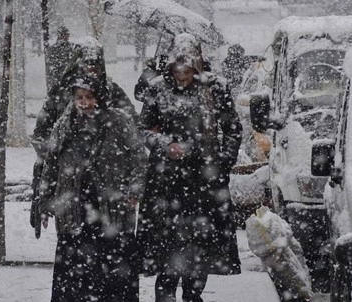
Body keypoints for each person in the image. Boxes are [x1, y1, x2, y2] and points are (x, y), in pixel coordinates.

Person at [138, 33, 243, 302]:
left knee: (201, 247)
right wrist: (165, 144)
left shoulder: (215, 87)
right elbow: (142, 129)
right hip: (165, 181)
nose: (182, 76)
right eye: (177, 70)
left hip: (204, 182)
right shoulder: (158, 88)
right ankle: (165, 295)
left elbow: (232, 128)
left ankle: (193, 295)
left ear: (197, 65)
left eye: (187, 70)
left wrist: (222, 163)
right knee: (167, 245)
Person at [37, 74, 146, 301]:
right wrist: (46, 201)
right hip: (74, 204)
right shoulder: (64, 124)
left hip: (112, 205)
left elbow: (138, 157)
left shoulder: (119, 121)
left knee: (113, 264)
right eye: (79, 97)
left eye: (89, 97)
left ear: (100, 97)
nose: (84, 102)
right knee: (75, 267)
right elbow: (50, 163)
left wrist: (134, 190)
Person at [30, 37, 139, 232]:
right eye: (86, 66)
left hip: (107, 183)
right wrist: (61, 156)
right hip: (71, 184)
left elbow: (133, 132)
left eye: (95, 66)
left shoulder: (113, 92)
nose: (91, 71)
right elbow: (41, 134)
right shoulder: (61, 92)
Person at [45, 26, 75, 93]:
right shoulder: (54, 49)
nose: (65, 37)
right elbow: (51, 66)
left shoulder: (72, 47)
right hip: (60, 79)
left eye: (66, 35)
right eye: (63, 35)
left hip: (66, 79)